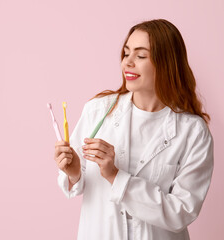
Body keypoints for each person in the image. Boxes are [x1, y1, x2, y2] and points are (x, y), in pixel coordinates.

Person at [54, 19, 214, 240]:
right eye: (126, 53)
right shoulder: (98, 111)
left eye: (140, 56)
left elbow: (182, 212)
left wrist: (116, 176)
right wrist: (72, 172)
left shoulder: (193, 132)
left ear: (166, 63)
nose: (127, 63)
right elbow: (76, 183)